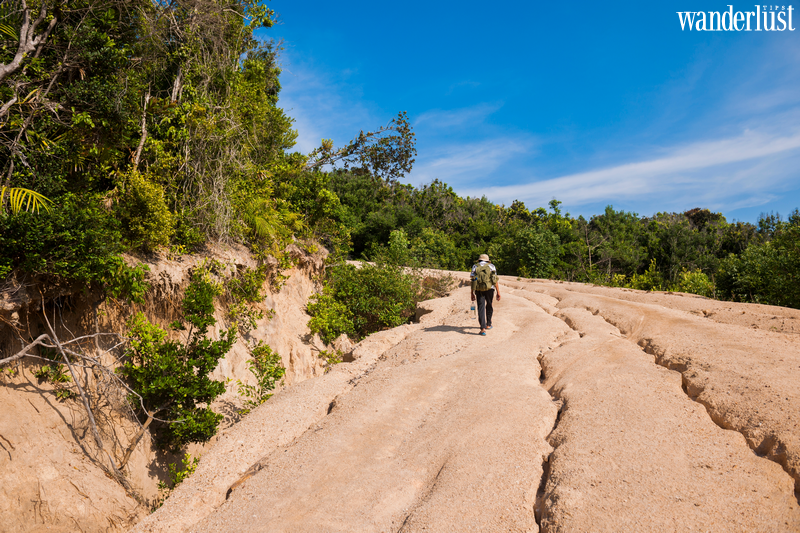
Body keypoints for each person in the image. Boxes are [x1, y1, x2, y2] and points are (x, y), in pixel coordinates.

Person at [470, 253, 501, 336]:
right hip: (490, 288)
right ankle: (488, 324)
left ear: (479, 260)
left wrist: (472, 293)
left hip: (479, 289)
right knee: (489, 305)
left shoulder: (475, 266)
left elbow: (473, 280)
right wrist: (498, 292)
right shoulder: (491, 266)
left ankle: (483, 329)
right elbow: (495, 280)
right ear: (487, 260)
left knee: (481, 307)